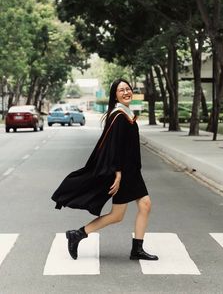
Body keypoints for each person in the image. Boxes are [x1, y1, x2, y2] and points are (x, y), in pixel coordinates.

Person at [51, 78, 158, 261]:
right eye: (121, 90)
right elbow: (113, 146)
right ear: (115, 95)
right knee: (119, 214)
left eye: (128, 89)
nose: (126, 92)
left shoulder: (125, 114)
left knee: (141, 207)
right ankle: (78, 234)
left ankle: (135, 249)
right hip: (124, 173)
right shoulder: (118, 116)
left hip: (132, 171)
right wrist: (117, 173)